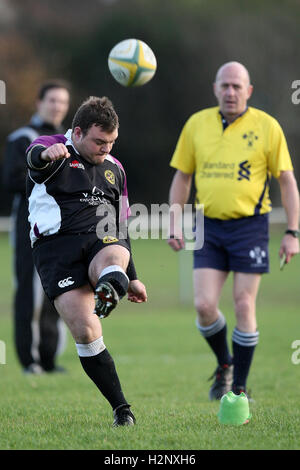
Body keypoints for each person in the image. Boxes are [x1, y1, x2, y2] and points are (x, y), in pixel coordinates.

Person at [167, 61, 299, 400]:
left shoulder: (267, 127)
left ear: (249, 91)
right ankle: (225, 364)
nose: (230, 92)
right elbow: (182, 176)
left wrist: (292, 232)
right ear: (215, 88)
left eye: (237, 86)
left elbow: (287, 181)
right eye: (225, 85)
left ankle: (239, 387)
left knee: (243, 304)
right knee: (204, 305)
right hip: (208, 225)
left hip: (250, 227)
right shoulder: (196, 124)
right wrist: (174, 221)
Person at [25, 96, 147, 426]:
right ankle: (121, 408)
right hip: (56, 249)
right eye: (99, 141)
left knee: (112, 252)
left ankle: (112, 286)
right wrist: (45, 156)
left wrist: (132, 275)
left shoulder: (114, 169)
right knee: (86, 331)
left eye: (111, 142)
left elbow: (121, 224)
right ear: (77, 132)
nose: (105, 148)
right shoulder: (53, 147)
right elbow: (34, 156)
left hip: (101, 238)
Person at [2, 80, 70, 374]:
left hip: (62, 228)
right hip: (29, 226)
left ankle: (49, 359)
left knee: (59, 289)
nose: (57, 106)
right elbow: (12, 180)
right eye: (52, 100)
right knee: (29, 292)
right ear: (39, 103)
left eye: (62, 102)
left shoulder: (69, 140)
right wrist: (47, 171)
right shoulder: (23, 137)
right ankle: (29, 361)